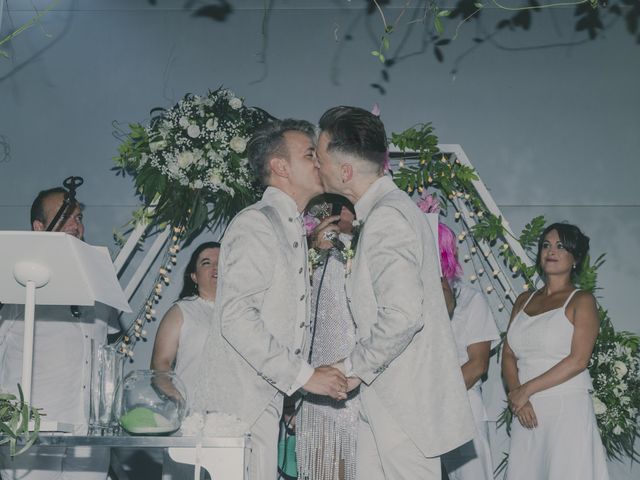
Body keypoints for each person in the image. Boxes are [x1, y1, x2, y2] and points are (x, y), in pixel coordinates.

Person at [315, 106, 474, 480]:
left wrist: (351, 367)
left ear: (346, 171)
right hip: (386, 397)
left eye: (320, 159)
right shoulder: (386, 212)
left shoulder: (387, 217)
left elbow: (403, 314)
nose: (317, 167)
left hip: (405, 405)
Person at [193, 119, 348, 480]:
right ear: (280, 167)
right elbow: (236, 316)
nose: (319, 161)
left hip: (262, 404)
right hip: (236, 410)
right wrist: (304, 376)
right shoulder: (257, 223)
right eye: (310, 154)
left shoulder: (290, 225)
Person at [0, 187, 118, 479]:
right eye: (64, 216)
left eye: (77, 217)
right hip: (32, 428)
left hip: (87, 431)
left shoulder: (98, 281)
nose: (75, 224)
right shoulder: (15, 281)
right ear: (39, 227)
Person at [502, 222, 609, 480]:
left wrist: (526, 390)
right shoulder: (523, 300)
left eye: (561, 246)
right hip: (525, 409)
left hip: (565, 407)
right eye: (546, 245)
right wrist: (518, 396)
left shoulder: (582, 300)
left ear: (575, 258)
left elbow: (578, 360)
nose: (551, 251)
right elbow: (508, 353)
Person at [296, 195, 361, 480]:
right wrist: (314, 250)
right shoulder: (311, 254)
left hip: (355, 368)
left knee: (355, 466)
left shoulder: (367, 249)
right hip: (317, 372)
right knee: (320, 468)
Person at [150, 241, 220, 480]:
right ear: (194, 275)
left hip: (233, 422)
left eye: (222, 262)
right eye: (206, 262)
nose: (216, 268)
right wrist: (181, 403)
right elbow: (160, 365)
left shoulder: (244, 314)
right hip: (192, 421)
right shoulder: (182, 311)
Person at [437, 223, 500, 480]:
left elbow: (478, 365)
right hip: (413, 409)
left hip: (461, 406)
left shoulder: (470, 299)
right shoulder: (404, 300)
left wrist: (438, 397)